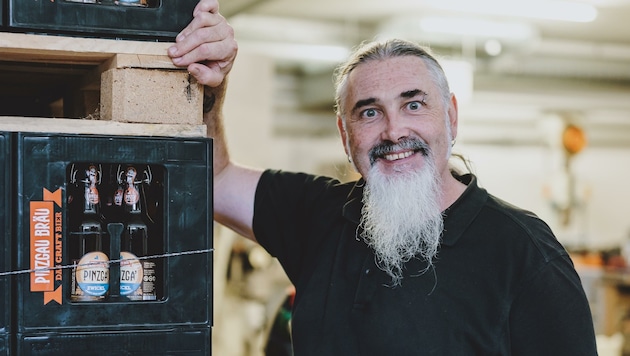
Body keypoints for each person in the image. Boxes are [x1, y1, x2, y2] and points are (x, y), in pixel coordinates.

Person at [168, 1, 598, 354]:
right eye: (370, 112)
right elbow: (216, 179)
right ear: (345, 134)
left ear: (450, 116)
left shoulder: (524, 253)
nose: (394, 132)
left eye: (413, 105)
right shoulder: (318, 215)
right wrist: (212, 86)